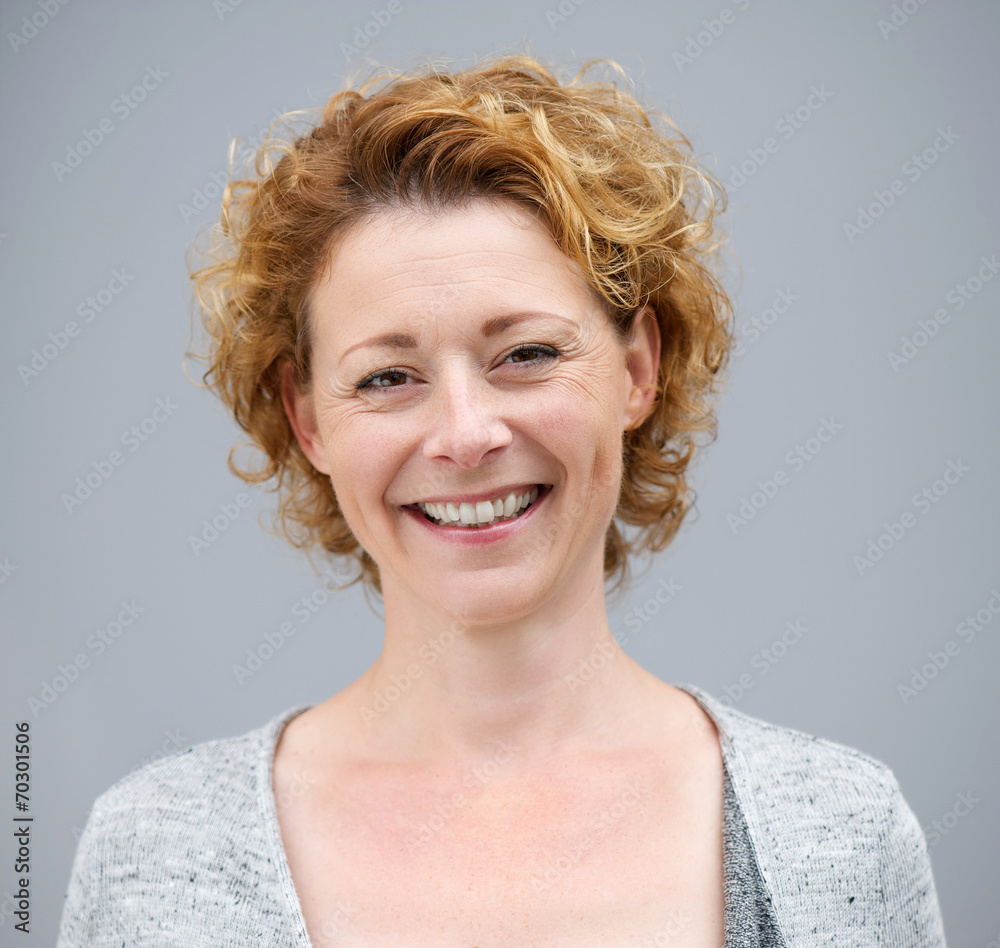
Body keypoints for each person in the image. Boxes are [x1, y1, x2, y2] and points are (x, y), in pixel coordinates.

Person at [57, 55, 947, 946]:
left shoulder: (844, 837)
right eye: (387, 376)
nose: (464, 433)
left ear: (637, 370)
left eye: (525, 354)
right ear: (308, 420)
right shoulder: (152, 856)